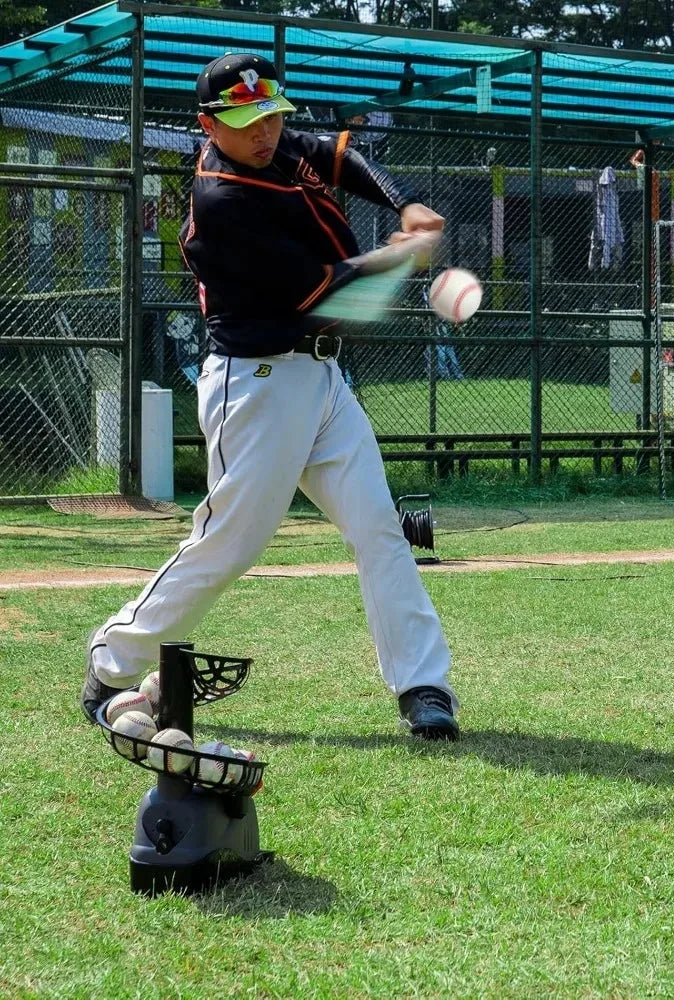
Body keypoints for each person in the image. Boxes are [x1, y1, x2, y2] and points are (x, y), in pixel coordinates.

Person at [80, 52, 459, 740]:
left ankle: (423, 684)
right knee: (230, 542)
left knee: (379, 526)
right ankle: (112, 661)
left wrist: (404, 201)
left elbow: (340, 156)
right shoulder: (222, 201)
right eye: (246, 121)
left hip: (322, 381)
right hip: (255, 387)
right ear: (208, 125)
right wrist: (401, 255)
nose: (265, 132)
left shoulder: (275, 145)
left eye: (272, 116)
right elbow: (321, 290)